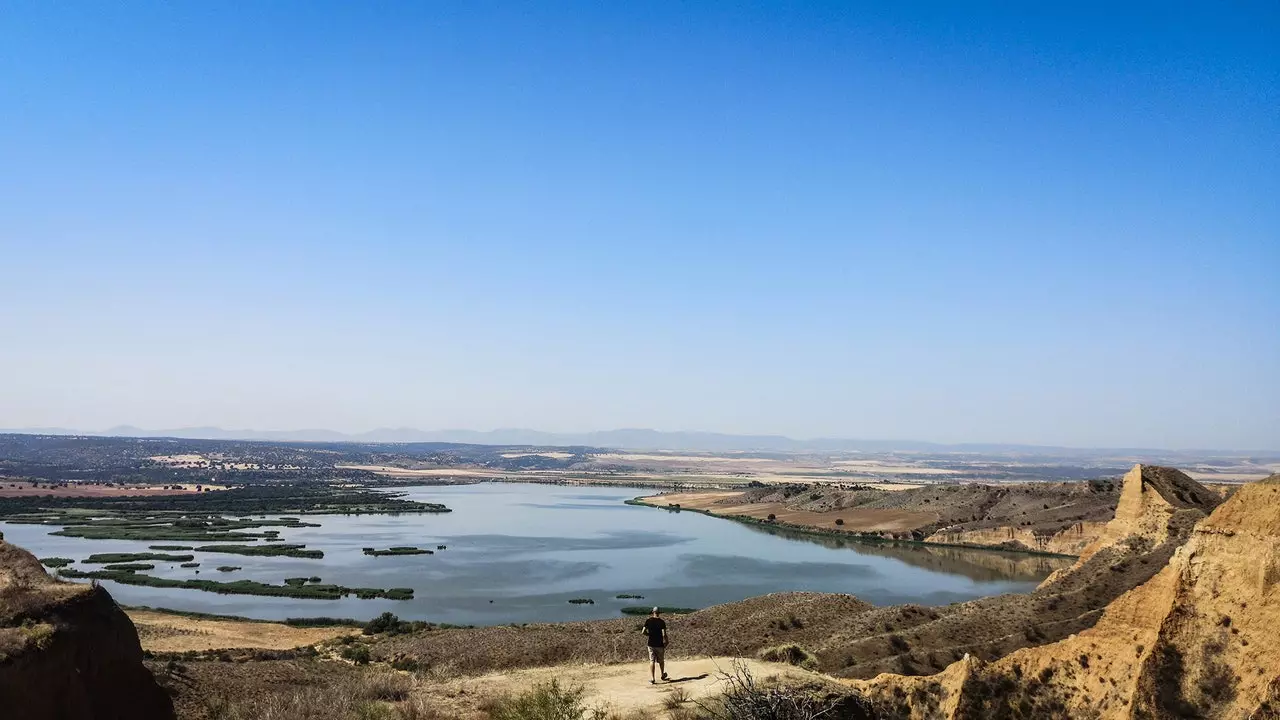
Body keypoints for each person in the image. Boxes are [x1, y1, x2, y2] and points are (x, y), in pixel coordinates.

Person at [642, 607, 669, 683]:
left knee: (652, 661)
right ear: (659, 613)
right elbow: (664, 634)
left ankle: (653, 678)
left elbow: (643, 631)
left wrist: (649, 635)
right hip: (659, 644)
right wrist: (666, 642)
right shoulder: (662, 622)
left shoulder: (648, 621)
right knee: (661, 661)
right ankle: (662, 675)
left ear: (652, 612)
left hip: (651, 644)